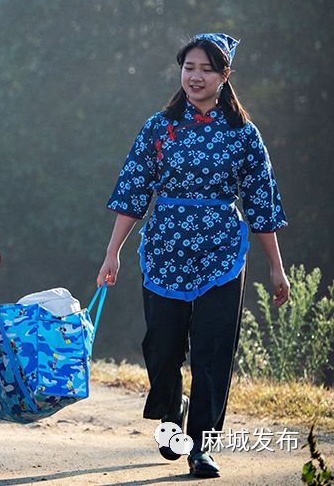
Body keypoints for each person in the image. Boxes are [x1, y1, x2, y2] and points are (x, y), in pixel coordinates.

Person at [97, 33, 291, 479]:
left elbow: (262, 203)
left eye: (206, 69)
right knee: (162, 348)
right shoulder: (159, 127)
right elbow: (132, 192)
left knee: (213, 351)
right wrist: (113, 253)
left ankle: (201, 444)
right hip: (165, 250)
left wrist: (276, 267)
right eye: (189, 68)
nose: (195, 76)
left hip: (222, 254)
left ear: (225, 76)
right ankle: (172, 408)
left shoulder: (243, 134)